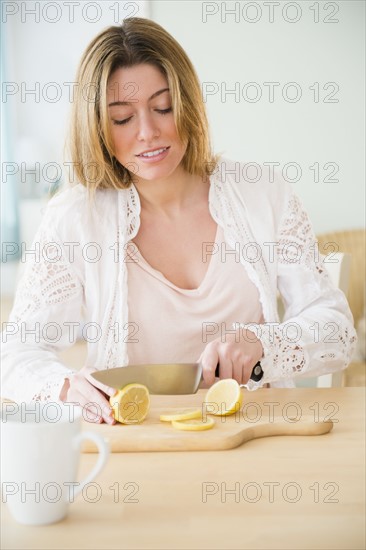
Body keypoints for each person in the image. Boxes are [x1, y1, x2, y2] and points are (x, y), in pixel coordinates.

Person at [1, 17, 357, 424]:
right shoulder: (74, 220)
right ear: (98, 127)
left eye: (163, 107)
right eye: (122, 118)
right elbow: (15, 354)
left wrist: (263, 343)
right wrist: (63, 387)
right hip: (136, 443)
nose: (148, 132)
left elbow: (338, 331)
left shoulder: (263, 192)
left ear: (187, 104)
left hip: (257, 435)